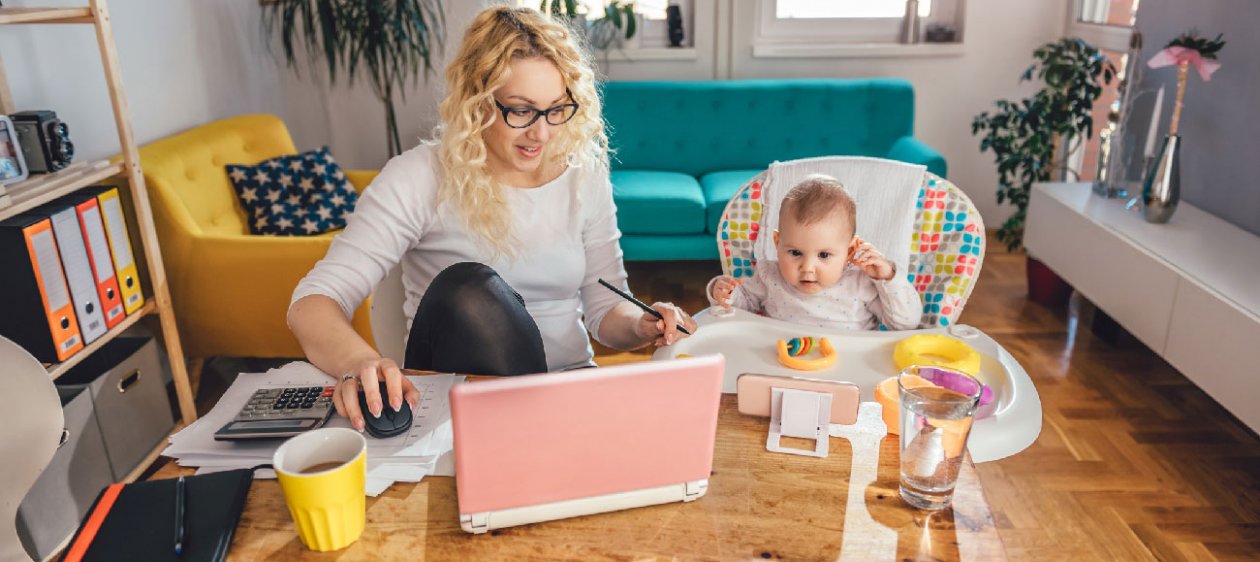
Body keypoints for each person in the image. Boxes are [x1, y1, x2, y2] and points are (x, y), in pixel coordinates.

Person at [287, 6, 696, 432]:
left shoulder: (583, 176)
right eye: (521, 110)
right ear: (477, 101)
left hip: (568, 392)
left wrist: (642, 323)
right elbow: (313, 302)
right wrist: (359, 361)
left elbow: (605, 311)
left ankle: (548, 433)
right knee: (471, 288)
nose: (541, 133)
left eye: (557, 109)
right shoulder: (419, 177)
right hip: (463, 399)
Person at [707, 174, 921, 330]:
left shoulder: (861, 284)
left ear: (850, 251)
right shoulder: (769, 275)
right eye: (795, 253)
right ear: (777, 242)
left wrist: (888, 278)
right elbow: (743, 306)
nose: (807, 268)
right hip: (781, 363)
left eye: (824, 255)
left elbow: (905, 324)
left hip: (846, 371)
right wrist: (726, 293)